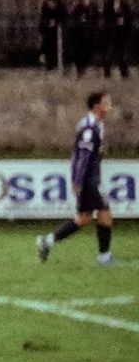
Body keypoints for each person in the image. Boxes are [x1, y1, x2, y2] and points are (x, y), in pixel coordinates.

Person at [37, 91, 118, 265]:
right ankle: (104, 257)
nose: (110, 106)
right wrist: (78, 181)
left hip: (92, 177)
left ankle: (47, 241)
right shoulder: (89, 127)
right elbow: (82, 156)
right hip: (89, 179)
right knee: (104, 213)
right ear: (96, 105)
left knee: (84, 218)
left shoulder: (97, 124)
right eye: (106, 103)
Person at [102, 0, 132, 79]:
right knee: (109, 54)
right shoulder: (108, 5)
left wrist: (124, 22)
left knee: (122, 55)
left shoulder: (125, 5)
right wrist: (114, 22)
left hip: (122, 33)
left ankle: (124, 74)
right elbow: (106, 17)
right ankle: (107, 74)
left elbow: (129, 17)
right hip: (111, 33)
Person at [69, 0, 98, 77]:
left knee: (87, 53)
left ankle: (85, 68)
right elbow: (73, 19)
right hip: (79, 35)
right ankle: (79, 70)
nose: (87, 1)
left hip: (89, 35)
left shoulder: (92, 9)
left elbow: (95, 20)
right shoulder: (78, 8)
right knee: (78, 54)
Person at [37, 0, 65, 73]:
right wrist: (47, 24)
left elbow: (64, 20)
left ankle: (56, 65)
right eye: (48, 2)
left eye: (51, 3)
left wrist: (56, 22)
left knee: (56, 46)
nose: (49, 4)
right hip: (48, 32)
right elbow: (42, 20)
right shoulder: (45, 8)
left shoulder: (61, 8)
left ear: (55, 2)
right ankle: (47, 63)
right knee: (47, 44)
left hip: (59, 32)